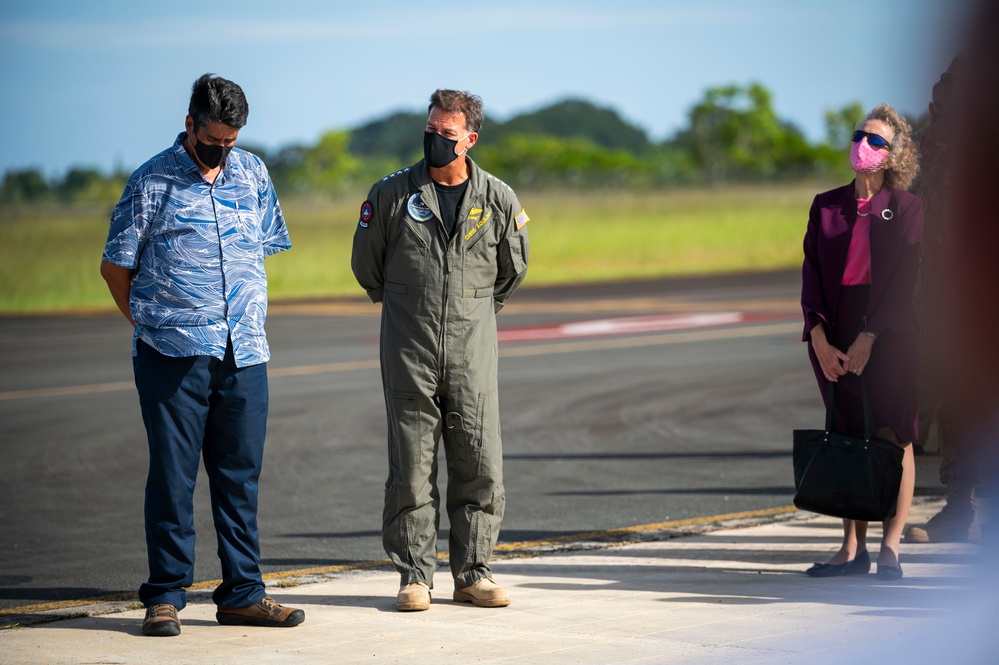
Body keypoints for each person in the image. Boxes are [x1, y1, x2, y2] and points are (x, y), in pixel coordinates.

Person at [100, 73, 304, 636]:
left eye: (231, 140)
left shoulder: (253, 172)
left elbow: (262, 247)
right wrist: (147, 325)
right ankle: (165, 595)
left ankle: (243, 592)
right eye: (213, 139)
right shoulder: (151, 182)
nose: (221, 151)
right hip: (173, 354)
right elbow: (116, 266)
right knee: (173, 476)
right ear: (190, 125)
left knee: (240, 476)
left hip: (244, 351)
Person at [351, 89, 530, 611]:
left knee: (479, 458)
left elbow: (511, 270)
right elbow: (368, 265)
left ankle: (474, 572)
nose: (435, 141)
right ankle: (414, 576)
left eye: (446, 135)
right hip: (410, 343)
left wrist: (469, 311)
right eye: (430, 131)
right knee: (411, 462)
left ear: (470, 139)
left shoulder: (499, 198)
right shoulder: (390, 194)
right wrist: (415, 303)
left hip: (472, 346)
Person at [800, 103, 924, 580]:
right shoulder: (825, 204)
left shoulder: (908, 208)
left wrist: (871, 337)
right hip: (836, 324)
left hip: (890, 328)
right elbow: (811, 273)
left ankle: (891, 548)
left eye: (875, 140)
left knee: (897, 434)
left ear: (892, 155)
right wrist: (819, 337)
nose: (863, 145)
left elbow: (903, 281)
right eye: (859, 135)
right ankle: (853, 548)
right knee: (849, 432)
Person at [906, 58, 980, 544]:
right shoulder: (920, 150)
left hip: (977, 301)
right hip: (925, 302)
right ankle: (957, 509)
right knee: (943, 408)